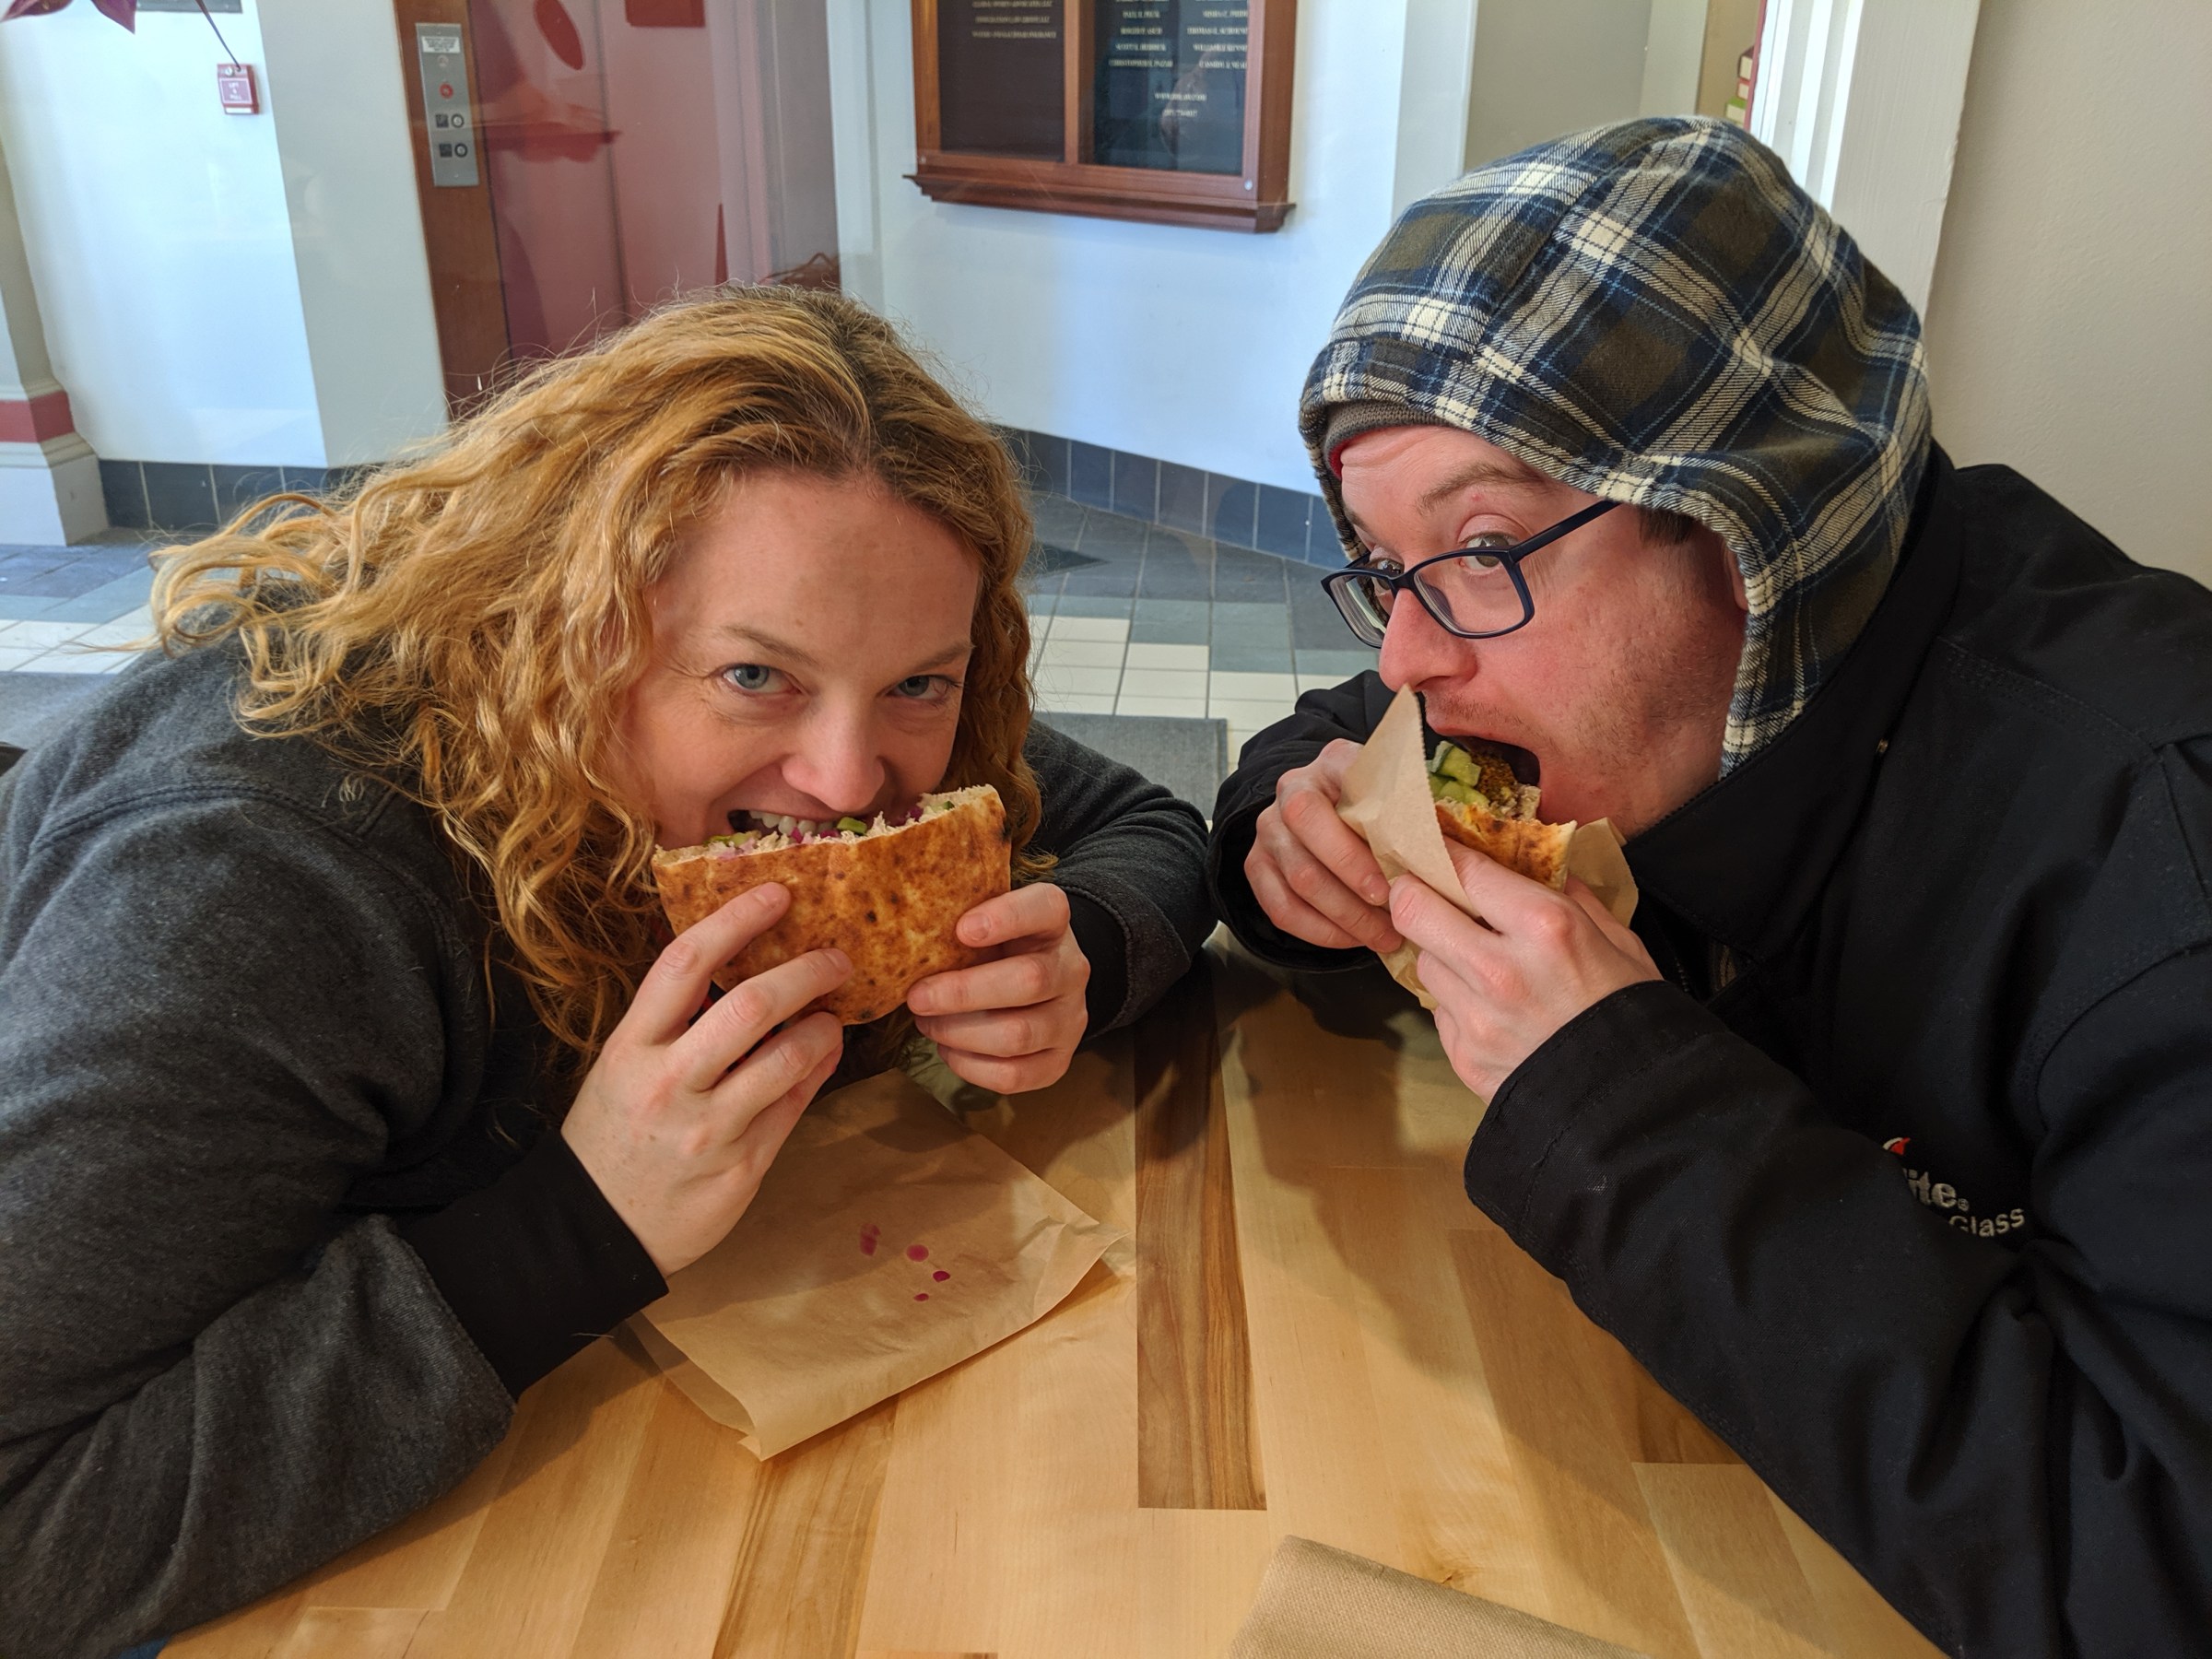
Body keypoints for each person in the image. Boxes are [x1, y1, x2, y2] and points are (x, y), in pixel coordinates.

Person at [0, 287, 1212, 1658]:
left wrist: (1083, 956)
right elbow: (26, 1533)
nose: (849, 780)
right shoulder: (255, 887)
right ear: (562, 629)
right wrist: (580, 1224)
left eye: (921, 685)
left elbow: (1153, 828)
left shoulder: (853, 712)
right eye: (756, 675)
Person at [1211, 118, 2212, 1657]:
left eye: (1479, 546)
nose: (1408, 655)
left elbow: (2152, 1570)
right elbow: (1346, 731)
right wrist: (1286, 858)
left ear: (1754, 523)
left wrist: (1619, 1099)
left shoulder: (2161, 861)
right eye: (1381, 564)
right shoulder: (1614, 678)